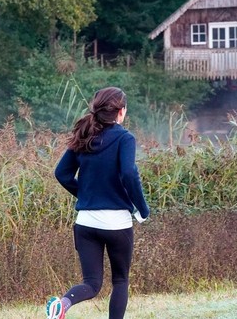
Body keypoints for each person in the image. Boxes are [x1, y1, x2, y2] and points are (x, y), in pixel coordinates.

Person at [47, 87, 150, 319]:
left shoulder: (84, 136)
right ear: (121, 112)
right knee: (120, 280)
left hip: (85, 223)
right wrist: (142, 209)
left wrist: (85, 195)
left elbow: (62, 174)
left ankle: (62, 305)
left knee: (91, 284)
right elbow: (129, 173)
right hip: (116, 224)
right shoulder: (125, 138)